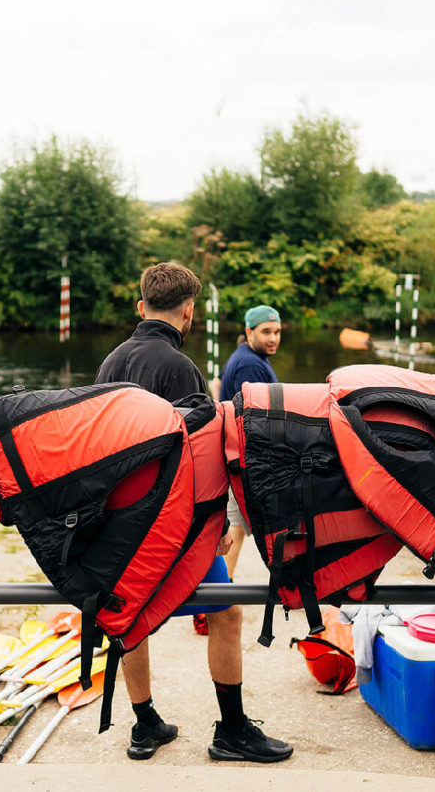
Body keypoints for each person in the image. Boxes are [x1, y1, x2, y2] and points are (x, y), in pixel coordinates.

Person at [95, 262, 294, 763]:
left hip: (117, 523)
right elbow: (197, 454)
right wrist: (220, 520)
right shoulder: (181, 369)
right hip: (169, 525)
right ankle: (231, 730)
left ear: (141, 308)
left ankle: (144, 726)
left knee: (129, 617)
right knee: (225, 613)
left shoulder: (109, 363)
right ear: (188, 312)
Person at [217, 306, 282, 579]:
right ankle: (218, 594)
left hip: (235, 457)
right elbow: (256, 418)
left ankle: (221, 586)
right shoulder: (250, 364)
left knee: (235, 528)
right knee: (275, 525)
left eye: (277, 332)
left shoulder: (249, 357)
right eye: (266, 332)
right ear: (249, 332)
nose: (273, 338)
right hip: (244, 460)